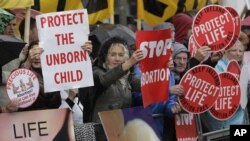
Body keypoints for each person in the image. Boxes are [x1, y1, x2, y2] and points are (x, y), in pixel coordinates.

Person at [201, 40, 247, 132]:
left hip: (238, 117)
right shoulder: (217, 65)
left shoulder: (244, 67)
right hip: (217, 118)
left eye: (240, 51)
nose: (238, 54)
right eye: (234, 50)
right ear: (226, 52)